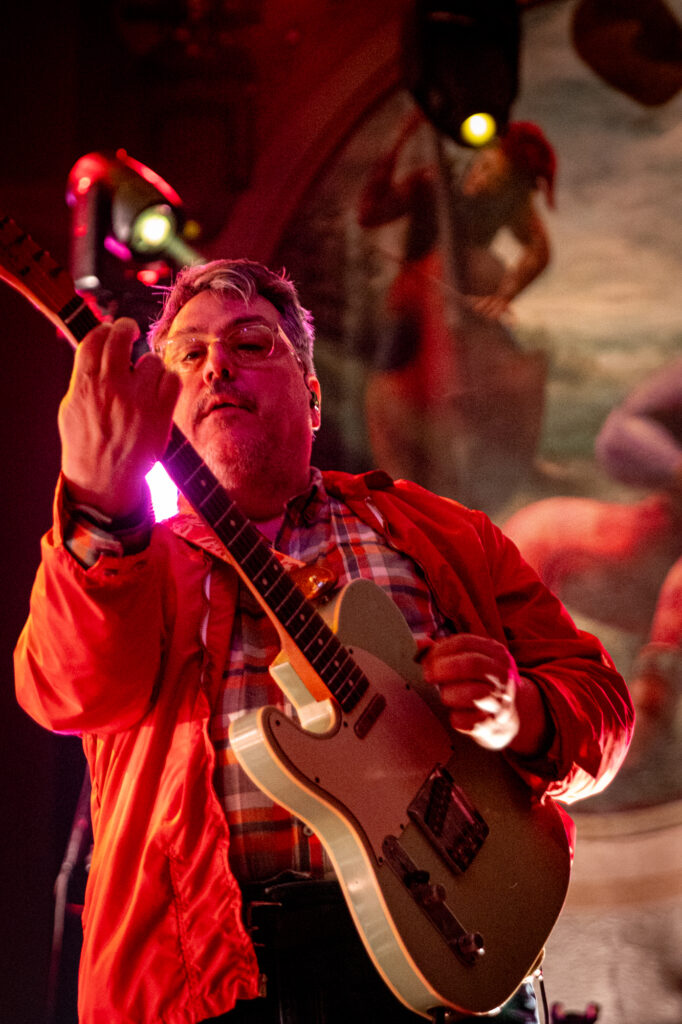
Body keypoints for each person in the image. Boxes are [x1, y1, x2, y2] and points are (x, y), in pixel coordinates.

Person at [14, 259, 633, 1024]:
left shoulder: (444, 534)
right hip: (210, 988)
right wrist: (96, 510)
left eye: (251, 344)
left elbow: (601, 703)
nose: (217, 367)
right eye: (189, 353)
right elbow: (66, 692)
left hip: (458, 965)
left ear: (312, 396)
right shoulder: (122, 557)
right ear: (161, 406)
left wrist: (520, 711)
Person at [357, 112, 555, 508]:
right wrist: (398, 142)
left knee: (517, 368)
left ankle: (515, 453)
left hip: (468, 303)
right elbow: (371, 213)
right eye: (484, 168)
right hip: (415, 298)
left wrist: (505, 294)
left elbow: (539, 249)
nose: (482, 180)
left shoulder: (507, 200)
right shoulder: (432, 182)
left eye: (496, 178)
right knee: (385, 379)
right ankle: (397, 473)